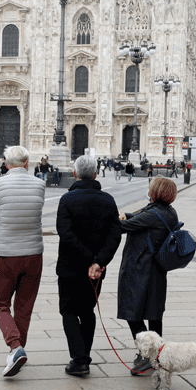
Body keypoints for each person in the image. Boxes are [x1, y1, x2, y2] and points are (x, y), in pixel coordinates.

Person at [0, 145, 47, 378]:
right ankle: (19, 350)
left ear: (6, 164)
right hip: (33, 255)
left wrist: (3, 221)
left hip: (6, 254)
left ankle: (15, 347)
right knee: (24, 306)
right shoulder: (40, 185)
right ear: (27, 163)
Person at [55, 155, 122, 376]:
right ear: (96, 174)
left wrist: (87, 259)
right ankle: (83, 357)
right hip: (95, 271)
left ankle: (79, 359)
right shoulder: (108, 200)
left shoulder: (67, 200)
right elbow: (114, 236)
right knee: (87, 310)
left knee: (68, 311)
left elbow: (66, 234)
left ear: (75, 173)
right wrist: (98, 262)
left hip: (70, 267)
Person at [117, 177, 180, 376]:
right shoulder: (167, 211)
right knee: (153, 314)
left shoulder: (154, 214)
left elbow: (123, 227)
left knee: (132, 313)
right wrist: (127, 214)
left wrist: (115, 217)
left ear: (156, 192)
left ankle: (148, 355)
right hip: (155, 270)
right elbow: (137, 216)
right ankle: (157, 355)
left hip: (141, 270)